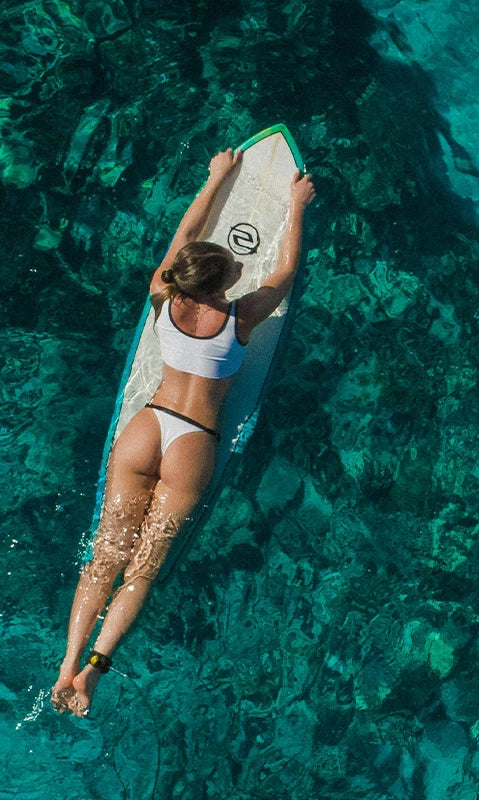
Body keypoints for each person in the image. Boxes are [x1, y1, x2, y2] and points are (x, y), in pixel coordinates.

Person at [51, 148, 315, 717]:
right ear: (224, 284)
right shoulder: (241, 316)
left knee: (106, 555)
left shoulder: (162, 293)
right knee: (144, 565)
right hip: (193, 442)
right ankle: (94, 672)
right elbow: (286, 272)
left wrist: (215, 178)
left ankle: (66, 663)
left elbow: (186, 232)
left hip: (146, 429)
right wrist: (295, 206)